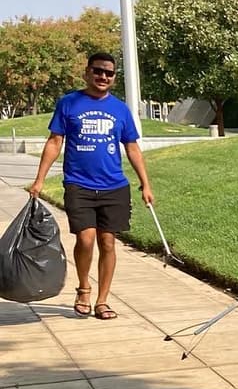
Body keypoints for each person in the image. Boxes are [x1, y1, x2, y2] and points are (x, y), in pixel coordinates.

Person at [29, 52, 154, 319]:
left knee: (108, 242)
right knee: (85, 239)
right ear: (87, 72)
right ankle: (84, 287)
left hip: (114, 186)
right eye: (98, 71)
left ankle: (102, 300)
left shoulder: (120, 109)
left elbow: (131, 147)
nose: (103, 77)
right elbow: (54, 142)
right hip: (79, 184)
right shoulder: (69, 103)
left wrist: (146, 184)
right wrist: (39, 179)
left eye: (109, 73)